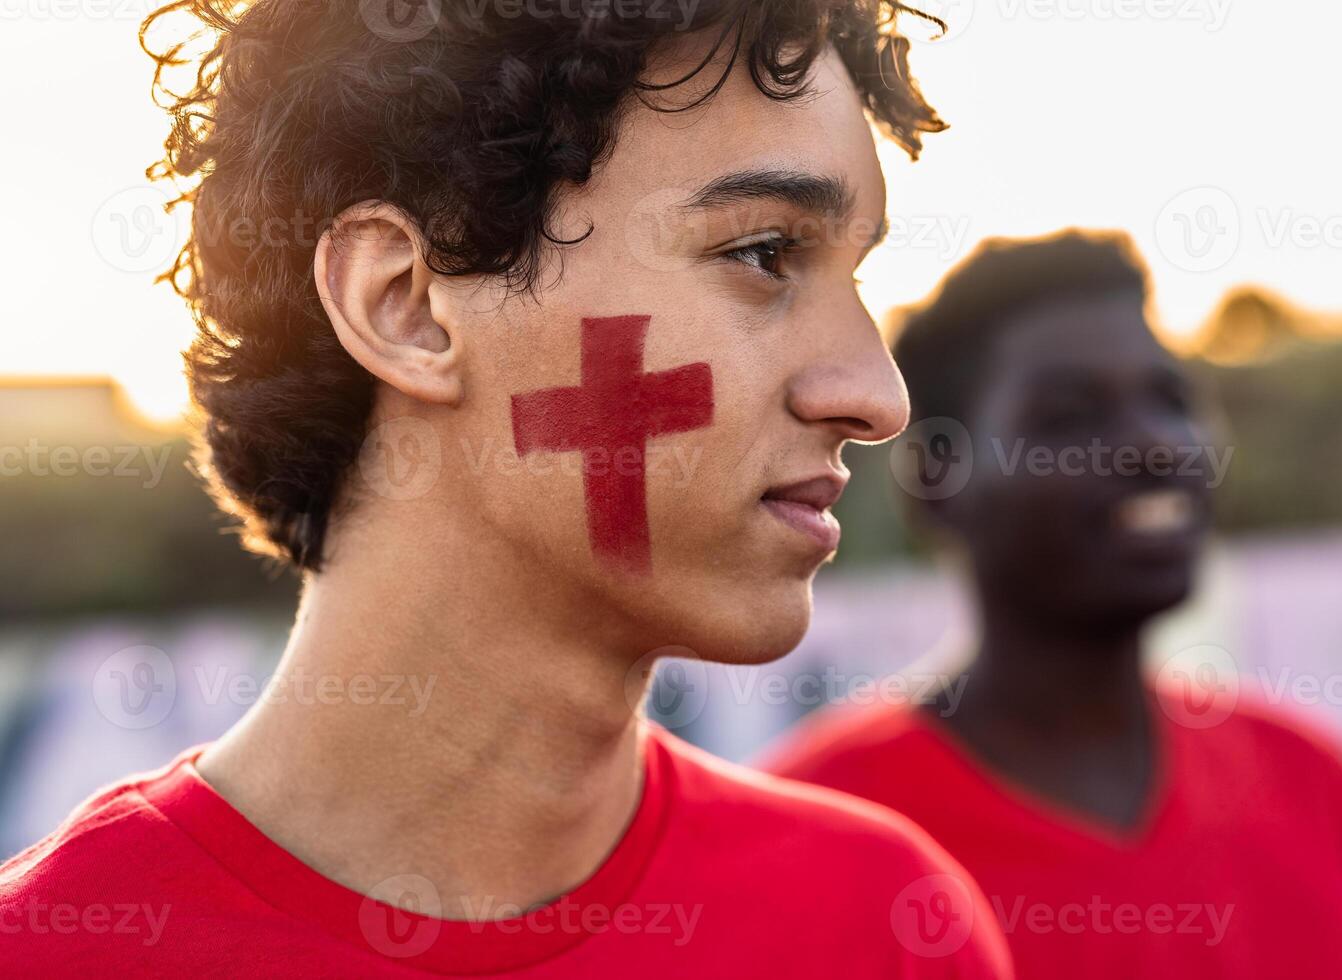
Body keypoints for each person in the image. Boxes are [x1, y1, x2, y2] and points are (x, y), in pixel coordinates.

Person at [0, 1, 1014, 976]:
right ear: (405, 307)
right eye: (763, 253)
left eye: (855, 274)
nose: (878, 396)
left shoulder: (877, 927)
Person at [762, 230, 1342, 978]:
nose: (1155, 445)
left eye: (1171, 399)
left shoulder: (1308, 779)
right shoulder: (808, 832)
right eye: (1068, 416)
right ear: (936, 478)